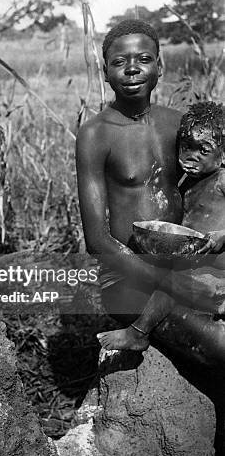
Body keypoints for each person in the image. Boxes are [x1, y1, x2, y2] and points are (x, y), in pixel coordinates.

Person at [75, 19, 225, 369]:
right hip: (128, 278)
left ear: (160, 66)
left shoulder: (179, 124)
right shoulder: (95, 135)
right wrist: (177, 286)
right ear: (106, 71)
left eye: (143, 59)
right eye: (119, 62)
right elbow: (97, 241)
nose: (131, 69)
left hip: (189, 265)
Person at [96, 101, 225, 352]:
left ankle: (138, 332)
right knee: (175, 276)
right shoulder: (187, 183)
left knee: (174, 278)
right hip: (196, 262)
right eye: (187, 147)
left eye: (203, 150)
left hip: (217, 262)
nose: (191, 156)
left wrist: (222, 236)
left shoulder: (223, 179)